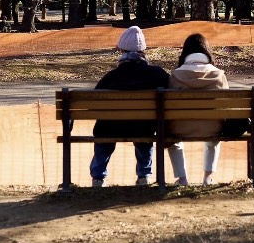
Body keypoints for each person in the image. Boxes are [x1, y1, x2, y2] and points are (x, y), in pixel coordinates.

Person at [90, 25, 170, 187]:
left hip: (110, 128)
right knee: (145, 130)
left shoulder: (111, 77)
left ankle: (98, 177)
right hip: (143, 128)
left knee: (103, 129)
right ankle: (144, 175)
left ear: (122, 51)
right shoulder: (157, 74)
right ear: (143, 51)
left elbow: (94, 104)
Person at [167, 33, 228, 186]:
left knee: (174, 141)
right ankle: (208, 178)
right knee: (213, 140)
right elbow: (226, 106)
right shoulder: (219, 75)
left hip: (179, 128)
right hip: (212, 128)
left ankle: (182, 179)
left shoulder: (175, 75)